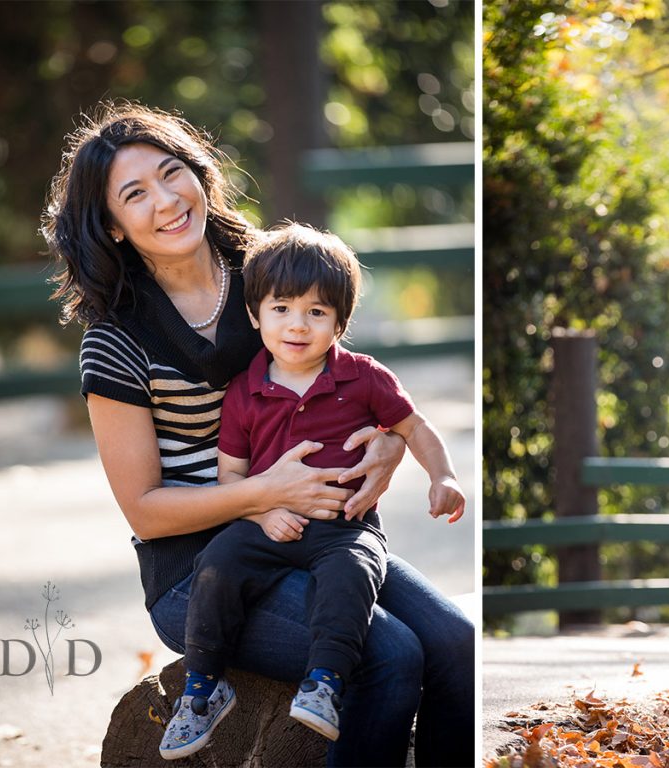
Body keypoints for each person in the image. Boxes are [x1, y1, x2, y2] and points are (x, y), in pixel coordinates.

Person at [41, 102, 474, 768]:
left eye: (171, 172)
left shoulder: (270, 274)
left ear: (199, 172)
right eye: (136, 194)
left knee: (455, 642)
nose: (166, 199)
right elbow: (147, 512)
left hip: (324, 536)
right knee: (388, 656)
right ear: (113, 227)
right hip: (199, 573)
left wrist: (387, 444)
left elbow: (350, 382)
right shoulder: (115, 343)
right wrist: (262, 492)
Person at [158, 223, 466, 759]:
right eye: (281, 309)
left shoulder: (365, 376)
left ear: (340, 323)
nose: (297, 325)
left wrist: (443, 476)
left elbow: (415, 428)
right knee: (218, 564)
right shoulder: (245, 391)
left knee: (350, 581)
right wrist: (260, 512)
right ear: (255, 315)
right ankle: (202, 690)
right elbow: (232, 477)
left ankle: (324, 684)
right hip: (272, 524)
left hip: (345, 529)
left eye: (316, 312)